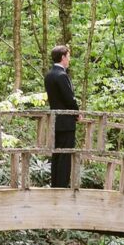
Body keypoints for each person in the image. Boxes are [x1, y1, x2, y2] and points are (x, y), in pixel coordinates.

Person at [43, 44, 78, 188]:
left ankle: (55, 184)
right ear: (63, 57)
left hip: (54, 121)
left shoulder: (49, 75)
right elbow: (69, 99)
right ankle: (62, 186)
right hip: (66, 121)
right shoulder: (62, 75)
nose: (69, 59)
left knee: (56, 153)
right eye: (68, 56)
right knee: (65, 154)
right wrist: (77, 113)